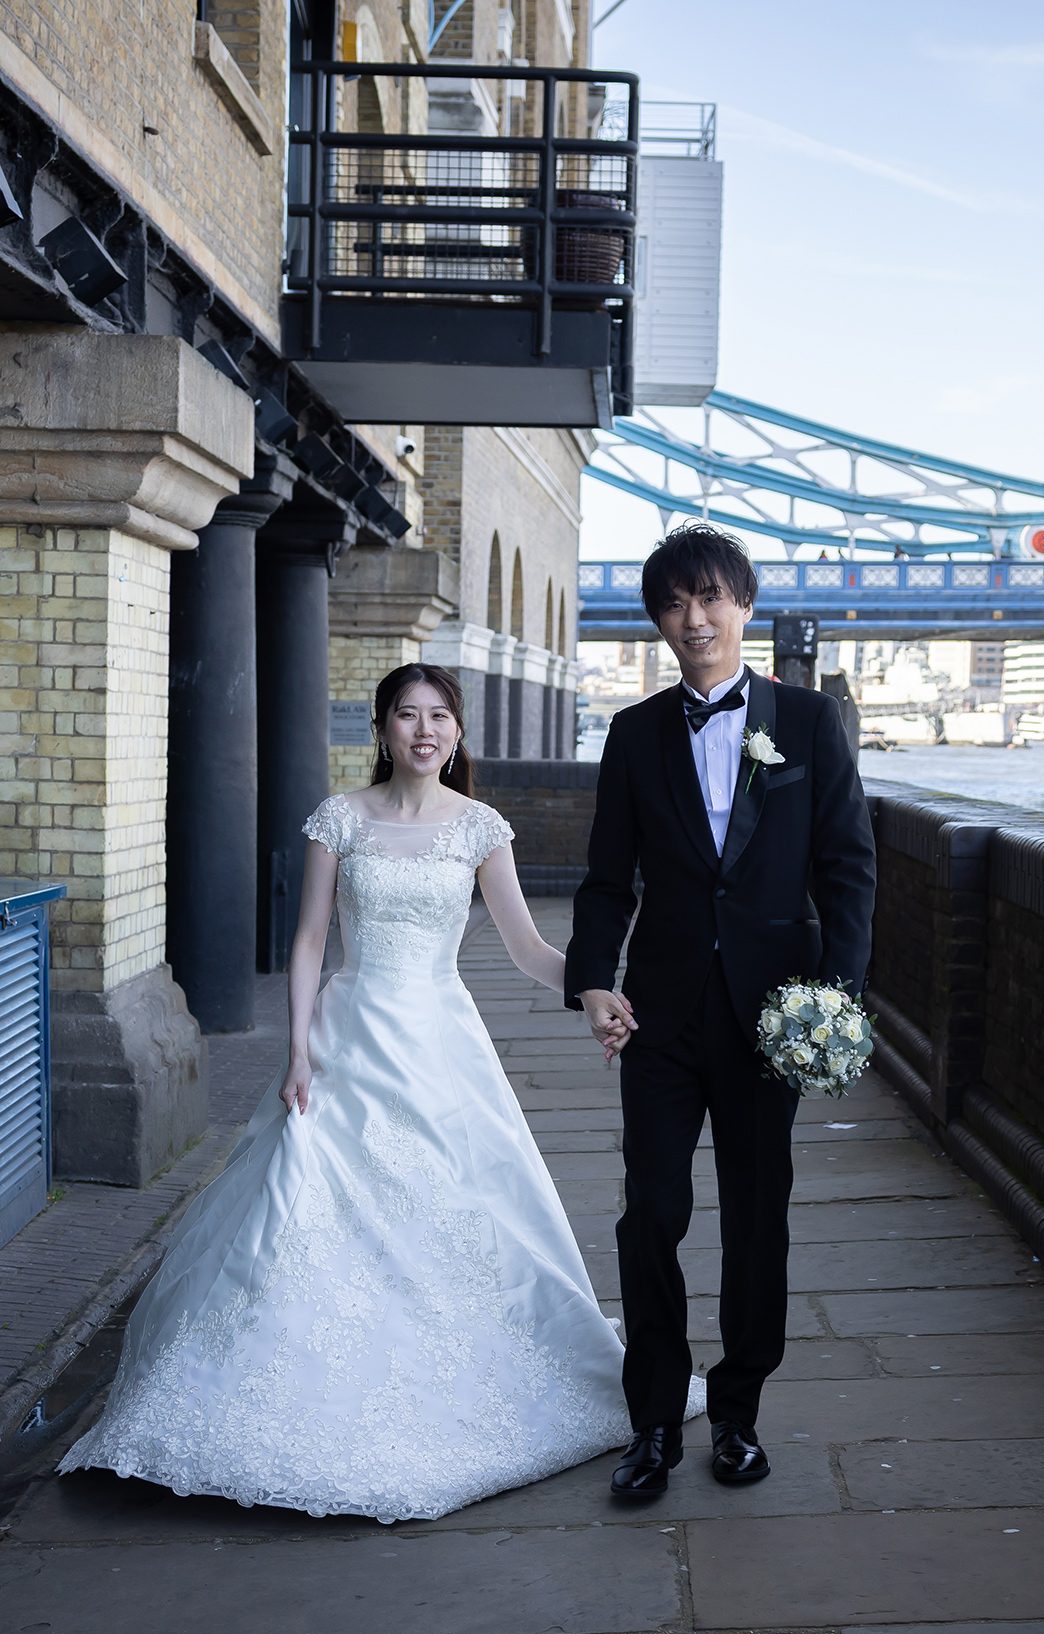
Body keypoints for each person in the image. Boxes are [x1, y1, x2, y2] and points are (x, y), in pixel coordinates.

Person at [59, 663, 699, 1522]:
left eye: (440, 717)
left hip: (440, 1044)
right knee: (300, 1204)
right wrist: (295, 1053)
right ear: (383, 728)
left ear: (458, 731)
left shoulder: (480, 828)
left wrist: (592, 993)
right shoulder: (339, 820)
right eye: (408, 715)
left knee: (455, 1211)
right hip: (348, 1036)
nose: (425, 731)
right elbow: (311, 943)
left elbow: (524, 946)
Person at [566, 522, 877, 1500]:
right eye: (672, 603)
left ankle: (736, 1412)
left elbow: (848, 869)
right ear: (657, 620)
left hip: (767, 1018)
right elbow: (607, 880)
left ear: (742, 602)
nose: (693, 619)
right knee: (649, 1213)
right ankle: (653, 1422)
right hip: (660, 1015)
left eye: (709, 598)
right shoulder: (633, 732)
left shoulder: (811, 722)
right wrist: (590, 980)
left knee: (755, 1220)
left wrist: (836, 999)